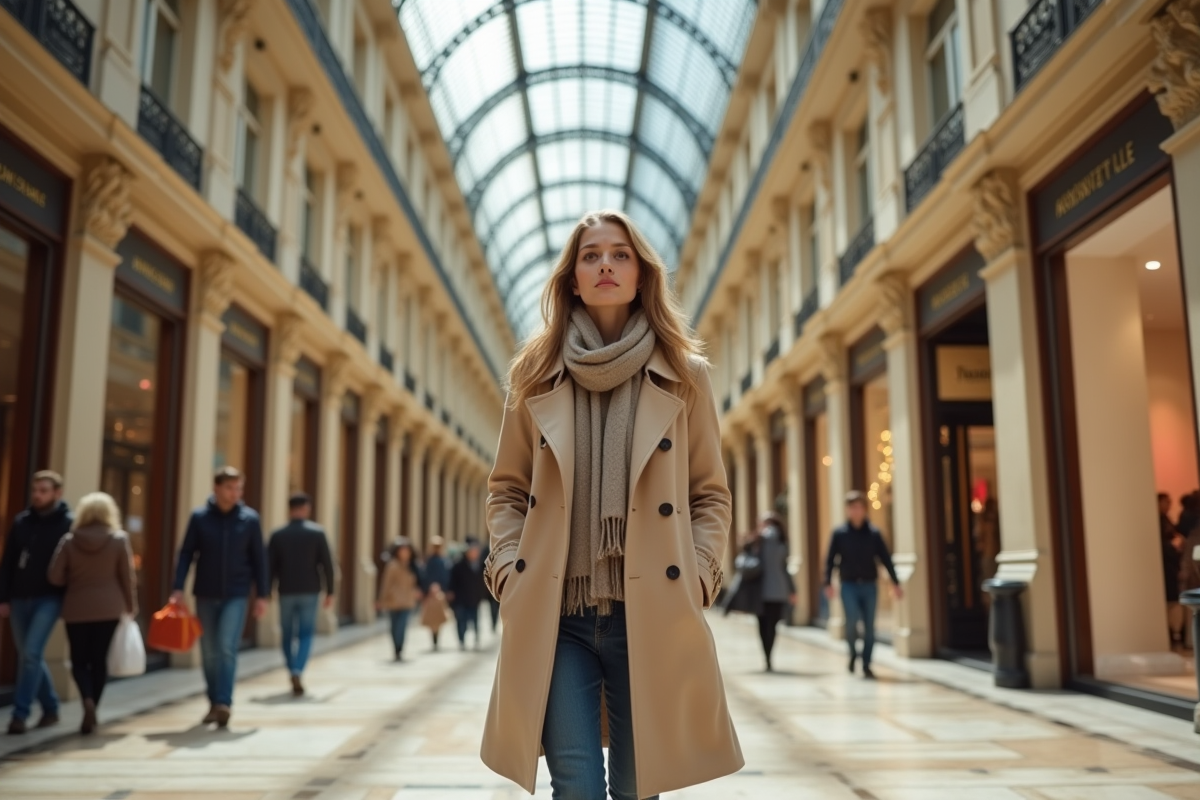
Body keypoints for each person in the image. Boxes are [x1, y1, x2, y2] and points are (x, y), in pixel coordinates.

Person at [480, 210, 742, 799]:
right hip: (556, 614)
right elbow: (507, 489)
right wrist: (506, 568)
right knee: (576, 785)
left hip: (649, 610)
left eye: (620, 254)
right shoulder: (534, 375)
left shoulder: (685, 376)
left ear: (642, 274)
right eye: (591, 255)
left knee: (634, 787)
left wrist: (698, 575)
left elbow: (710, 493)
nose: (605, 265)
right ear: (572, 278)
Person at [170, 467, 269, 727]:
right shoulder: (200, 518)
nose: (235, 493)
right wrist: (177, 587)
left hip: (237, 594)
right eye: (230, 488)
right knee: (209, 651)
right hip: (205, 593)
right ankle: (213, 701)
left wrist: (263, 595)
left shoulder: (249, 520)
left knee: (226, 647)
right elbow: (186, 554)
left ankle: (224, 702)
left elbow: (260, 559)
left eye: (239, 488)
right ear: (216, 488)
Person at [46, 492, 136, 734]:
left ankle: (85, 698)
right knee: (99, 660)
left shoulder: (69, 540)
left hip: (77, 607)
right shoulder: (118, 539)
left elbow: (54, 576)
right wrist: (131, 606)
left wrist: (74, 579)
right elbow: (127, 578)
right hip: (109, 607)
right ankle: (93, 704)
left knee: (78, 660)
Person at [0, 470, 72, 735]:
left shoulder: (68, 523)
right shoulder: (22, 522)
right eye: (35, 490)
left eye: (44, 490)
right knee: (30, 656)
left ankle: (19, 714)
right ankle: (51, 708)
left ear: (57, 493)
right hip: (19, 598)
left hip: (49, 598)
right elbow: (7, 562)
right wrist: (3, 597)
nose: (38, 495)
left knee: (30, 653)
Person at [824, 491, 903, 679]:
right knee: (851, 623)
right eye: (852, 507)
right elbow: (830, 559)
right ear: (847, 510)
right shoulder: (839, 534)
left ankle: (866, 663)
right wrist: (828, 582)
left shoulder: (874, 534)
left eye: (859, 507)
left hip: (869, 585)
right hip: (848, 585)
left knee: (869, 626)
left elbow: (885, 558)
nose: (856, 511)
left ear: (865, 509)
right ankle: (853, 654)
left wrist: (895, 582)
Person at [268, 492, 335, 697]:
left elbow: (270, 566)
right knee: (306, 632)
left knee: (287, 633)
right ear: (306, 509)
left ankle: (291, 668)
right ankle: (298, 669)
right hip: (310, 590)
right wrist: (330, 591)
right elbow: (327, 564)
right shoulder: (317, 533)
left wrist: (266, 590)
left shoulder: (278, 535)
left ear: (289, 510)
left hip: (286, 590)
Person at [723, 514, 796, 672]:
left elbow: (743, 558)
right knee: (773, 625)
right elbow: (785, 569)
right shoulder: (782, 542)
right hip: (779, 591)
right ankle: (769, 655)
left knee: (763, 626)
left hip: (761, 592)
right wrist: (792, 590)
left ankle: (767, 657)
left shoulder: (759, 540)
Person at [376, 538, 422, 661]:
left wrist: (418, 591)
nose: (404, 553)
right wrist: (381, 599)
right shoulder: (392, 565)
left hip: (407, 601)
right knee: (393, 627)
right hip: (393, 601)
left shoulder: (413, 566)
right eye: (402, 550)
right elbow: (386, 584)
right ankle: (396, 648)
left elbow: (420, 581)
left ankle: (400, 649)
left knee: (402, 627)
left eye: (407, 550)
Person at [448, 536, 487, 651]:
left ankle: (476, 640)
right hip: (461, 598)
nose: (474, 553)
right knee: (461, 621)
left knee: (475, 621)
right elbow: (452, 580)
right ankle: (461, 640)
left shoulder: (481, 565)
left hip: (474, 598)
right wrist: (451, 592)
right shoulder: (458, 565)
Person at [420, 536, 451, 651]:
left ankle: (436, 637)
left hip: (440, 593)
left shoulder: (444, 561)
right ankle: (433, 638)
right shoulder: (429, 561)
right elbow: (425, 576)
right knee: (430, 617)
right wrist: (428, 589)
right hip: (430, 594)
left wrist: (443, 589)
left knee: (440, 616)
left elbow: (446, 577)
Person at [480, 543, 501, 633]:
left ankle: (495, 623)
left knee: (496, 606)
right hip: (490, 585)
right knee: (493, 606)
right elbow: (482, 567)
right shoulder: (486, 549)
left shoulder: (501, 546)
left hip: (499, 584)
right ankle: (494, 623)